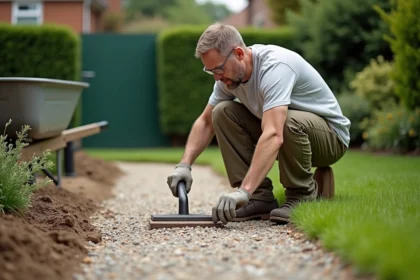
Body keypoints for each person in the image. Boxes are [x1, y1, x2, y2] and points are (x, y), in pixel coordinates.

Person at [166, 23, 350, 225]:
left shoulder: (275, 67)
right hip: (292, 136)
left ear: (238, 53)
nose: (217, 78)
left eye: (219, 69)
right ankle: (259, 199)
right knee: (222, 112)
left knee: (284, 120)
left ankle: (302, 196)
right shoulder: (227, 79)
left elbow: (273, 134)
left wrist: (243, 190)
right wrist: (184, 165)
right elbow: (206, 122)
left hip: (331, 138)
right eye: (211, 72)